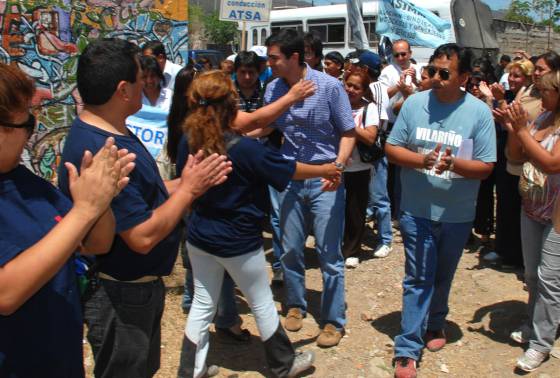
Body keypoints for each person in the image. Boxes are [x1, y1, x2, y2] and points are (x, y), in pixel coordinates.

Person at [58, 39, 232, 378]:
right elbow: (141, 235)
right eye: (141, 79)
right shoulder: (103, 150)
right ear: (123, 89)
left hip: (134, 290)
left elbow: (145, 195)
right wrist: (190, 190)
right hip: (121, 293)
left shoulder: (109, 132)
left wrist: (188, 182)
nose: (148, 84)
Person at [176, 70, 341, 377]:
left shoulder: (189, 140)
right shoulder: (245, 149)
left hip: (199, 237)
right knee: (262, 303)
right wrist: (326, 169)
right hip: (238, 241)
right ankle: (283, 364)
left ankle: (191, 371)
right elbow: (289, 169)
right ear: (230, 103)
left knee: (202, 303)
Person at [0, 62, 135, 378]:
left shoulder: (27, 182)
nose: (32, 133)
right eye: (27, 123)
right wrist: (84, 211)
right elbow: (6, 294)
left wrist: (100, 202)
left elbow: (95, 243)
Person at [386, 43, 496, 378]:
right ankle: (407, 347)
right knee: (418, 277)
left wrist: (455, 164)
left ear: (463, 76)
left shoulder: (478, 113)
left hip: (457, 213)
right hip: (417, 209)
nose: (435, 77)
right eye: (431, 70)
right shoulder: (415, 104)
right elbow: (391, 148)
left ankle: (435, 323)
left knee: (443, 275)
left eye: (444, 73)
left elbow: (486, 166)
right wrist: (424, 160)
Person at [262, 29, 356, 348]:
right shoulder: (273, 88)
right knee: (289, 248)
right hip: (289, 178)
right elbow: (266, 125)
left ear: (293, 58)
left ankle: (333, 320)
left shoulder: (329, 86)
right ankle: (295, 304)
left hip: (326, 178)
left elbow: (347, 132)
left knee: (330, 253)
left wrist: (339, 166)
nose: (269, 62)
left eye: (274, 57)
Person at [498, 72, 560, 372]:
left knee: (549, 280)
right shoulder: (543, 116)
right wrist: (513, 129)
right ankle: (534, 323)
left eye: (546, 91)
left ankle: (540, 343)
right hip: (532, 206)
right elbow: (515, 154)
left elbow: (551, 163)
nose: (540, 96)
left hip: (557, 213)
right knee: (532, 275)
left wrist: (521, 129)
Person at [479, 59, 535, 266]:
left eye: (517, 76)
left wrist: (499, 101)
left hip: (518, 158)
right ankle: (504, 249)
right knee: (504, 204)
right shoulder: (512, 94)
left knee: (514, 206)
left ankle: (514, 254)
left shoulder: (529, 98)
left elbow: (515, 125)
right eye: (510, 75)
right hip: (504, 153)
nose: (512, 79)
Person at [352, 51, 394, 259]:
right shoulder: (374, 88)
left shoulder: (377, 90)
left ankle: (385, 239)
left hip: (371, 151)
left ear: (365, 69)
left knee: (379, 196)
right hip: (358, 151)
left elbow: (379, 123)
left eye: (358, 66)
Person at [342, 70, 385, 268]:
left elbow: (369, 137)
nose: (350, 90)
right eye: (348, 85)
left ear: (364, 90)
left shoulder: (370, 109)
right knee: (334, 210)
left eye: (356, 87)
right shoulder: (337, 104)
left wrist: (348, 123)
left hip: (358, 167)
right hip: (335, 165)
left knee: (355, 211)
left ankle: (352, 251)